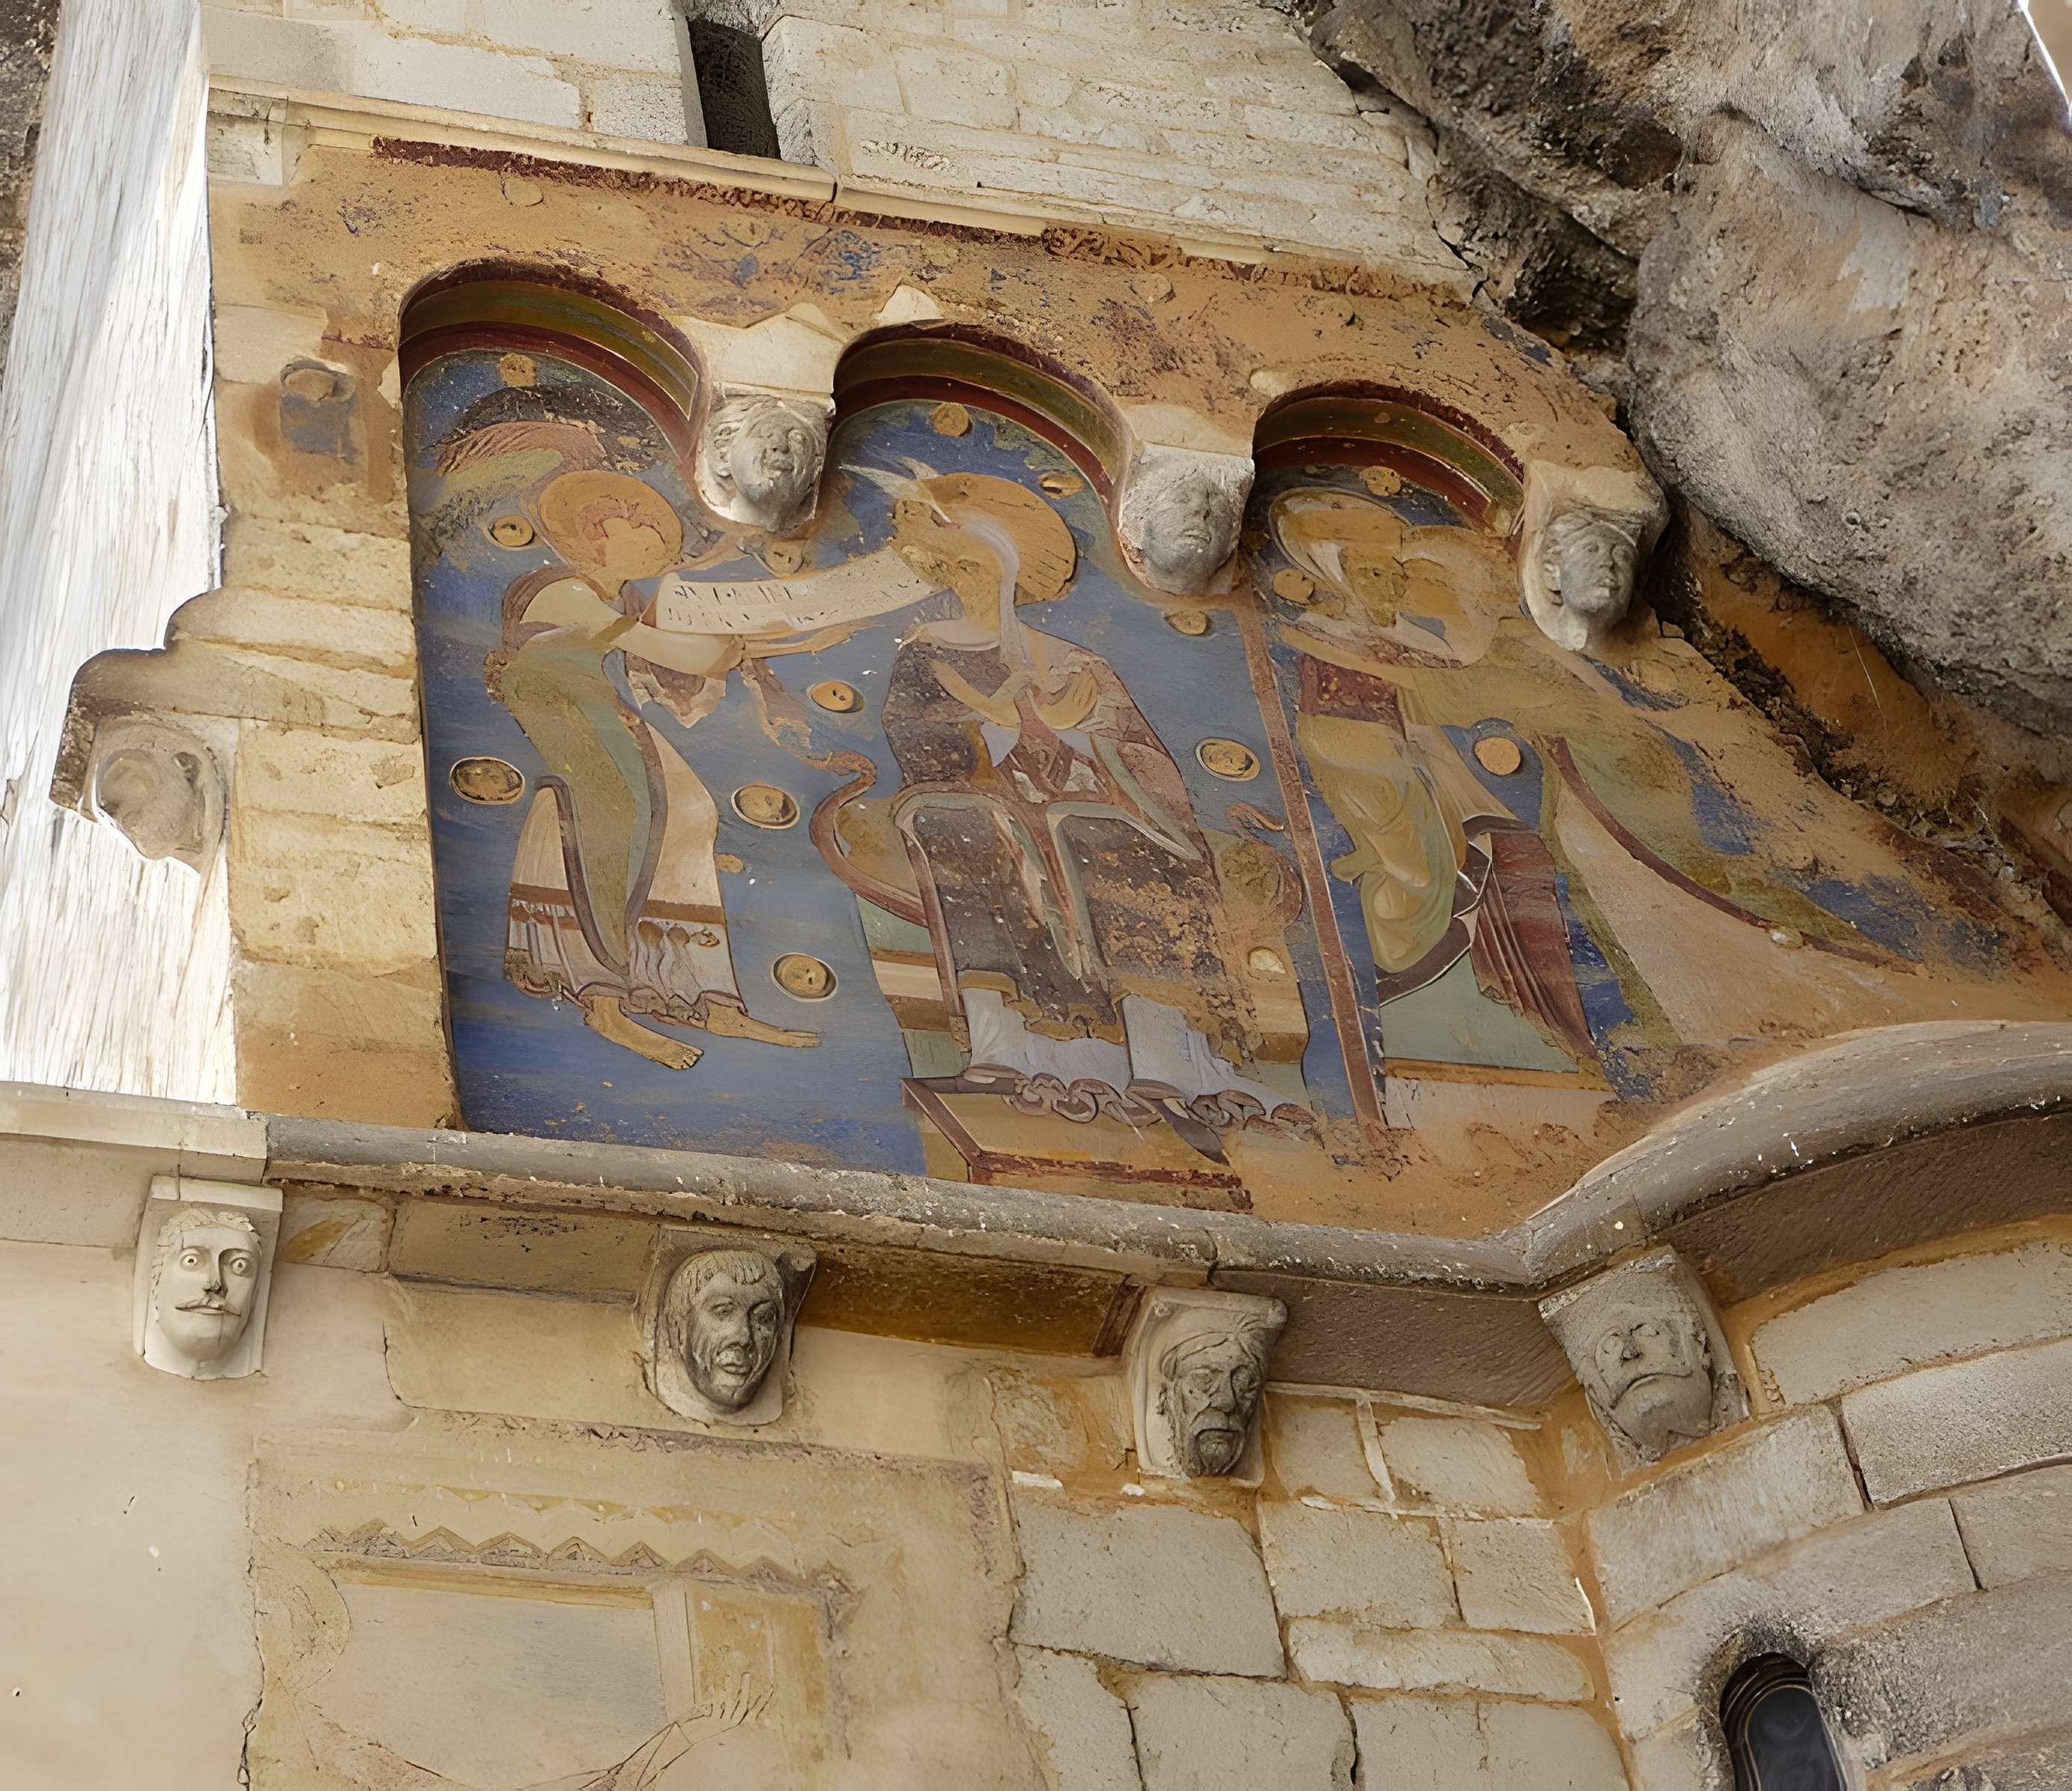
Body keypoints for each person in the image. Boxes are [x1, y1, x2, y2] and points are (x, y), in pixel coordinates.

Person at [820, 464, 1312, 1160]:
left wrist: (1077, 735)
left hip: (1086, 804)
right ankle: (1014, 1045)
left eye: (979, 568)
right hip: (980, 798)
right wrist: (994, 726)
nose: (967, 582)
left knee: (1101, 834)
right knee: (958, 824)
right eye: (953, 570)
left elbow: (1141, 755)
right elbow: (916, 737)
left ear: (1012, 575)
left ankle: (1164, 1052)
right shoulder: (927, 655)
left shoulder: (1072, 659)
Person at [493, 469, 822, 1069]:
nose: (653, 541)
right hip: (556, 703)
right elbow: (667, 650)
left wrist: (786, 638)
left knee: (692, 810)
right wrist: (736, 642)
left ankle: (703, 994)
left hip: (600, 704)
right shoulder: (559, 590)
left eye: (656, 534)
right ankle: (605, 1001)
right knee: (614, 813)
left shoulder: (623, 600)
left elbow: (676, 670)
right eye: (637, 529)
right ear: (594, 536)